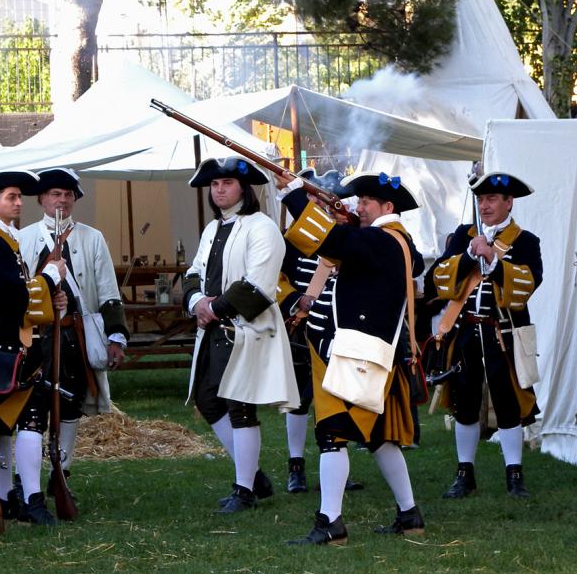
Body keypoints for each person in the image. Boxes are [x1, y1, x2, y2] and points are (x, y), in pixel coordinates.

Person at [275, 169, 426, 545]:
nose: (359, 208)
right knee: (379, 439)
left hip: (359, 355)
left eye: (366, 203)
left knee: (332, 435)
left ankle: (331, 522)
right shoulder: (389, 241)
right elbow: (340, 245)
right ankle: (409, 515)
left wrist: (294, 194)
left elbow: (332, 240)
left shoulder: (383, 239)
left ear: (387, 207)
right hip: (366, 353)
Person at [181, 157, 298, 515]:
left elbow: (259, 284)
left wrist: (215, 310)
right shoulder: (212, 229)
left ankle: (244, 489)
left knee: (240, 407)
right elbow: (194, 272)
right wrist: (197, 301)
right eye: (215, 185)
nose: (219, 190)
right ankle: (253, 475)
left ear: (244, 189)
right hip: (214, 329)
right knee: (207, 399)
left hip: (246, 330)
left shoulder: (262, 227)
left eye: (227, 183)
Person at [425, 171, 541, 499]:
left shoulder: (526, 241)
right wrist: (468, 256)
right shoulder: (465, 235)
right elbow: (439, 279)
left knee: (508, 403)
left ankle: (514, 474)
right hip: (465, 333)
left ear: (508, 203)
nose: (484, 205)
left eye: (492, 199)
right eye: (481, 199)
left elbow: (528, 285)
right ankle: (465, 474)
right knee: (465, 403)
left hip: (503, 335)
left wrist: (493, 258)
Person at [0, 169, 66, 525]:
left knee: (6, 426)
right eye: (11, 197)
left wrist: (52, 301)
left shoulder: (2, 239)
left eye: (19, 197)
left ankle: (7, 497)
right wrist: (49, 277)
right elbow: (12, 297)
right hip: (5, 349)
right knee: (30, 422)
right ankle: (32, 499)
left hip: (7, 346)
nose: (18, 202)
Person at [17, 167, 129, 494]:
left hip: (74, 335)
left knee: (71, 403)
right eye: (55, 193)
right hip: (35, 336)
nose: (62, 200)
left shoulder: (92, 238)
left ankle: (61, 471)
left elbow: (108, 292)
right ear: (41, 198)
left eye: (68, 195)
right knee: (33, 404)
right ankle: (31, 476)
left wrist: (116, 336)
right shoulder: (23, 239)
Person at [276, 168, 365, 494]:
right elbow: (276, 280)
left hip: (341, 327)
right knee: (299, 401)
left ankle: (340, 467)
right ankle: (295, 466)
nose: (314, 202)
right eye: (309, 196)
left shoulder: (346, 234)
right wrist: (296, 300)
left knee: (342, 398)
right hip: (303, 326)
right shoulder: (290, 241)